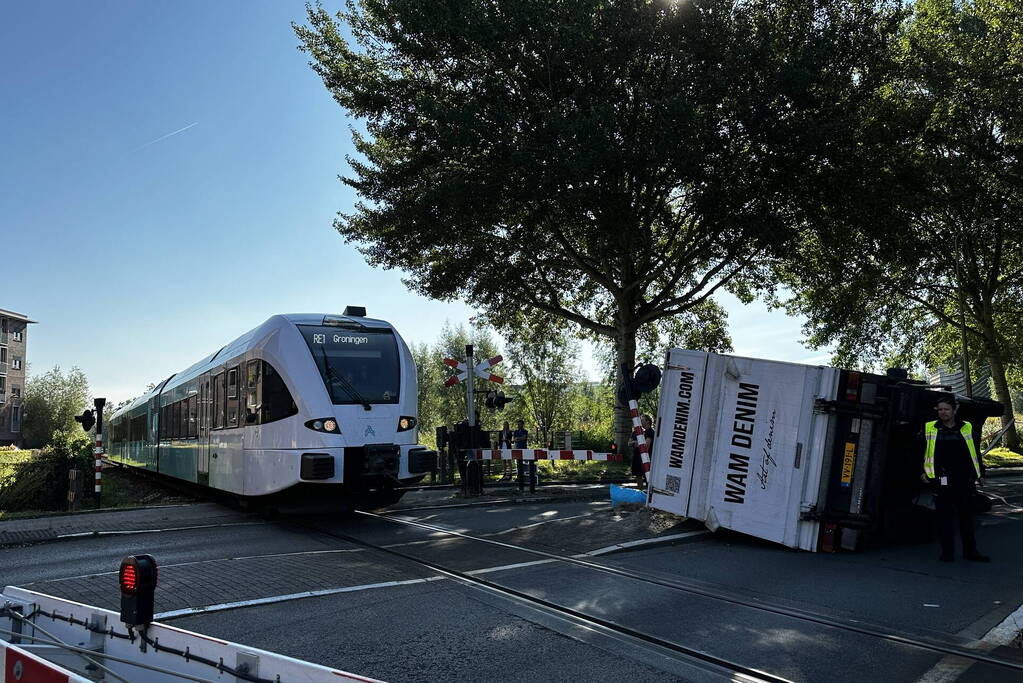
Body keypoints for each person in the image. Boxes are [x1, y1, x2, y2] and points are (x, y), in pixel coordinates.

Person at [920, 396, 989, 563]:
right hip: (941, 479)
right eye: (940, 409)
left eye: (946, 409)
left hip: (963, 479)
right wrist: (922, 472)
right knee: (944, 519)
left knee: (966, 517)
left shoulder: (966, 427)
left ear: (954, 410)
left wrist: (979, 474)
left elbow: (974, 452)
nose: (943, 413)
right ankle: (947, 553)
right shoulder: (930, 428)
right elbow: (920, 451)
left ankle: (970, 552)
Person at [628, 414, 654, 489]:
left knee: (647, 479)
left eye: (642, 420)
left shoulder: (650, 432)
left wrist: (636, 443)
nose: (641, 422)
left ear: (648, 422)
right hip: (638, 459)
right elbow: (630, 443)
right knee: (638, 477)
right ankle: (641, 495)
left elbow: (646, 447)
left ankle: (649, 497)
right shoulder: (643, 432)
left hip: (646, 459)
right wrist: (636, 443)